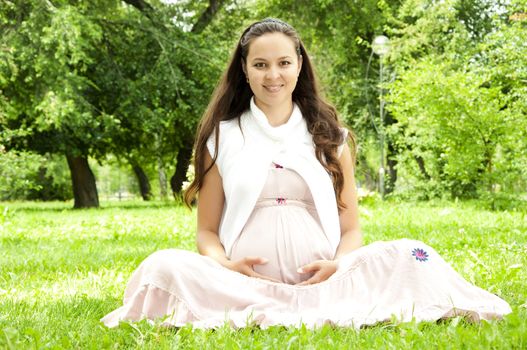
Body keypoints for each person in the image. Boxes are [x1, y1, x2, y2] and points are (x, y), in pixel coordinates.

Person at [101, 18, 511, 329]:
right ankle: (252, 300)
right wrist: (224, 265)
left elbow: (351, 229)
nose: (273, 75)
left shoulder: (331, 137)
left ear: (299, 65)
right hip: (242, 284)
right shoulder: (222, 138)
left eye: (283, 63)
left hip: (329, 281)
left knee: (412, 254)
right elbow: (206, 233)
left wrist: (339, 265)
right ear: (244, 70)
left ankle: (335, 296)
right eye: (260, 64)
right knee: (162, 266)